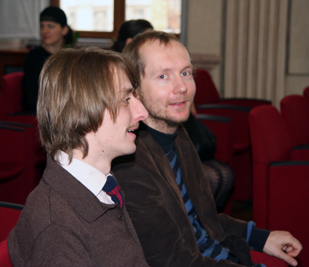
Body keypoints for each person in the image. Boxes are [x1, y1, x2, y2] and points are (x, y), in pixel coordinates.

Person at [112, 31, 302, 266]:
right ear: (135, 90)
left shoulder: (178, 135)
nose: (181, 87)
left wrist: (262, 237)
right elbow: (172, 261)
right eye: (163, 76)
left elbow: (204, 220)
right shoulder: (130, 164)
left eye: (185, 73)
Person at [8, 47, 149, 266]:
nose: (142, 112)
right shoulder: (58, 229)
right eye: (125, 99)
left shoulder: (99, 185)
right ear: (82, 109)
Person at [22, 6, 74, 113]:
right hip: (39, 112)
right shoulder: (33, 56)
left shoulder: (70, 57)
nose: (45, 31)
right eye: (42, 26)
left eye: (50, 26)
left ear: (64, 30)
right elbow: (30, 94)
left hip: (66, 111)